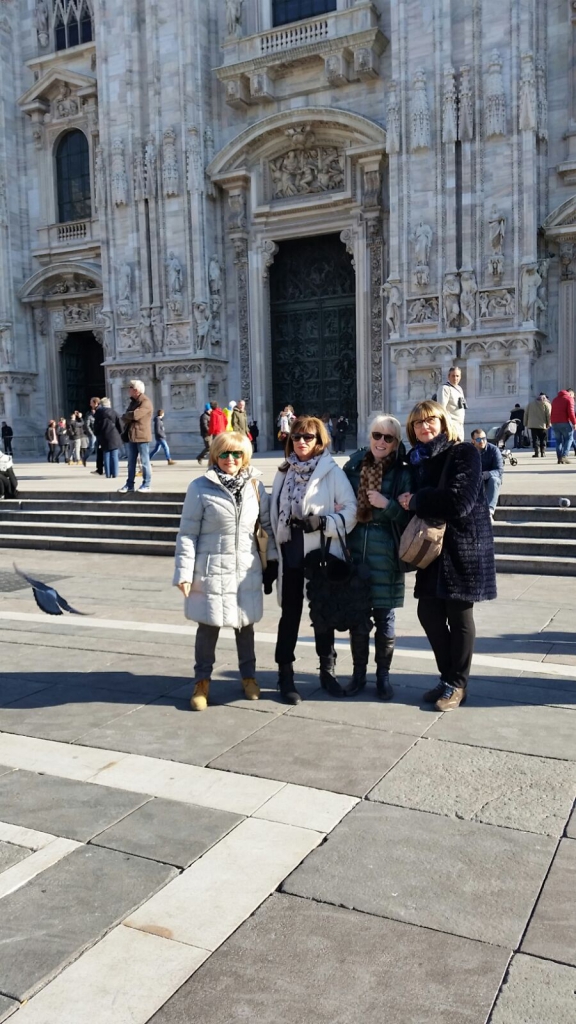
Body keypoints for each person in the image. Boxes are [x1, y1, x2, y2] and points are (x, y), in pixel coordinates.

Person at [397, 400, 496, 712]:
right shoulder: (419, 460)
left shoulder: (463, 451)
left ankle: (458, 683)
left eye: (430, 421)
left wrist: (416, 500)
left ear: (442, 422)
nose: (424, 427)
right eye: (417, 423)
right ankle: (447, 676)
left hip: (462, 546)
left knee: (459, 614)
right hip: (432, 549)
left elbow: (460, 502)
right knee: (428, 613)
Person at [174, 431, 278, 711]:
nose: (230, 459)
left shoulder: (256, 486)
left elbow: (266, 526)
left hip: (246, 567)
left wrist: (274, 562)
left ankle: (249, 677)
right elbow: (187, 533)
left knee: (246, 626)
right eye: (224, 453)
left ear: (245, 456)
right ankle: (202, 682)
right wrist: (183, 572)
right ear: (214, 455)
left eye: (236, 454)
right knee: (208, 628)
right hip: (211, 567)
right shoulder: (199, 486)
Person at [269, 415, 357, 704]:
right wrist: (271, 557)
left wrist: (323, 522)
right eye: (297, 437)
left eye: (308, 437)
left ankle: (327, 672)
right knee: (290, 615)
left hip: (319, 554)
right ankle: (285, 674)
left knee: (323, 614)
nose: (302, 442)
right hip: (291, 553)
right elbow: (270, 517)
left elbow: (351, 511)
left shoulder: (332, 472)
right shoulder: (283, 471)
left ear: (320, 442)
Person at [343, 415, 412, 699]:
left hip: (387, 554)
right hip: (356, 554)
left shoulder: (404, 474)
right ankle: (358, 674)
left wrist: (387, 505)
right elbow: (343, 504)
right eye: (376, 435)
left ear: (396, 444)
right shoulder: (352, 468)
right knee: (358, 620)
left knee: (385, 620)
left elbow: (409, 519)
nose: (381, 442)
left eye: (388, 438)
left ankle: (382, 676)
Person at [118, 379, 153, 493]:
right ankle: (130, 484)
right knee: (131, 462)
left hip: (142, 436)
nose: (129, 390)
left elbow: (135, 415)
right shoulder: (133, 402)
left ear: (136, 390)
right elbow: (127, 415)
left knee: (144, 461)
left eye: (130, 388)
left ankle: (146, 484)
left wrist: (128, 415)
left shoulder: (145, 402)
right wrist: (128, 415)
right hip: (131, 435)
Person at [471, 429, 503, 518]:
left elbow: (499, 470)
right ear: (473, 441)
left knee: (495, 480)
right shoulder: (469, 451)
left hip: (489, 479)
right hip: (475, 479)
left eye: (484, 438)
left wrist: (488, 474)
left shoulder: (494, 450)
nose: (482, 441)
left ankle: (490, 511)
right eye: (478, 439)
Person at [94, 398, 123, 478]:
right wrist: (120, 432)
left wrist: (97, 434)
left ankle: (108, 473)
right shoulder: (114, 412)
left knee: (106, 455)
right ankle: (115, 473)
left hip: (103, 436)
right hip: (114, 435)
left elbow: (96, 426)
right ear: (109, 404)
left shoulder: (98, 413)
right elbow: (120, 425)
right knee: (114, 455)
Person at [437, 366, 467, 441]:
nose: (455, 378)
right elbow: (441, 409)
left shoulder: (459, 389)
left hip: (460, 426)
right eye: (453, 376)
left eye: (457, 376)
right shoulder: (445, 388)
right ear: (448, 376)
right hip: (451, 426)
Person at [550, 388, 576, 464]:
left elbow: (552, 412)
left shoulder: (555, 399)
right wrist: (574, 423)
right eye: (573, 396)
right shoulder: (569, 399)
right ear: (570, 394)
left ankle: (559, 458)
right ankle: (564, 456)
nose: (573, 398)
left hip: (554, 423)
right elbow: (571, 412)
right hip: (564, 422)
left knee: (558, 441)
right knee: (569, 438)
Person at [524, 392, 551, 457]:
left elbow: (526, 414)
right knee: (543, 439)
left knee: (535, 439)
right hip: (543, 425)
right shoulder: (546, 404)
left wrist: (525, 423)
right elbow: (549, 415)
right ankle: (543, 452)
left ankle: (536, 452)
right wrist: (549, 423)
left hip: (533, 425)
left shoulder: (530, 404)